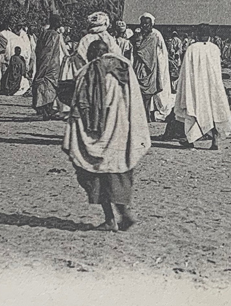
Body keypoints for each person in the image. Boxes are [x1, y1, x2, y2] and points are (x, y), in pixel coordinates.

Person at [63, 39, 151, 232]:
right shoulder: (125, 70)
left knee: (95, 173)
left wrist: (73, 132)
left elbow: (79, 106)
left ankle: (111, 218)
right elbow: (135, 103)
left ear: (92, 54)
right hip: (120, 131)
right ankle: (123, 213)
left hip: (96, 135)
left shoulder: (86, 73)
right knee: (118, 173)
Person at [173, 23, 231, 150]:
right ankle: (215, 141)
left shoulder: (192, 48)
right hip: (212, 86)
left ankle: (191, 140)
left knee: (193, 109)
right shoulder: (214, 48)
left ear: (197, 34)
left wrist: (184, 85)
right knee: (214, 110)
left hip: (196, 86)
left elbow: (185, 70)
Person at [131, 13, 173, 122]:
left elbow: (160, 52)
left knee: (148, 93)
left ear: (151, 25)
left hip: (151, 67)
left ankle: (147, 114)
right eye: (143, 23)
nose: (145, 26)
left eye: (147, 24)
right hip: (138, 66)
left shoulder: (155, 35)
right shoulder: (137, 35)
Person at [31, 15, 67, 119]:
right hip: (51, 65)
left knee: (45, 85)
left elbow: (38, 49)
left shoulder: (44, 33)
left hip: (46, 63)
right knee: (49, 86)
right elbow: (48, 51)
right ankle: (47, 110)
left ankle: (44, 109)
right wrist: (44, 65)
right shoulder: (54, 35)